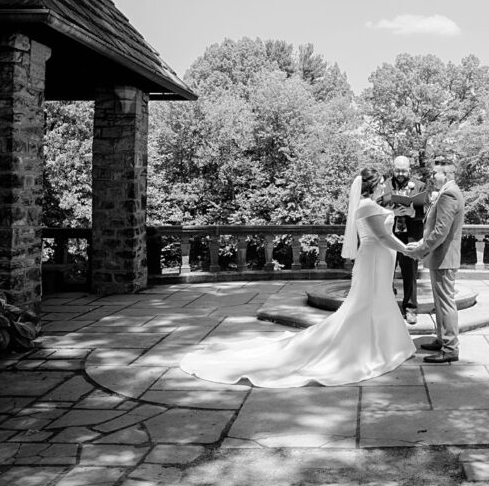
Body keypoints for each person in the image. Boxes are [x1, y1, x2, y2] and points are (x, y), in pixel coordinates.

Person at [178, 168, 415, 387]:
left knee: (378, 299)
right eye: (382, 183)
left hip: (380, 260)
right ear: (372, 185)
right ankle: (371, 347)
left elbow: (384, 225)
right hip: (374, 259)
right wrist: (408, 249)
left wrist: (398, 215)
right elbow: (383, 237)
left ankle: (385, 344)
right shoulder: (366, 206)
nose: (385, 187)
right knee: (366, 303)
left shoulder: (370, 205)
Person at [406, 156, 465, 364]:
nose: (432, 176)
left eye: (435, 173)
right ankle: (442, 339)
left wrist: (421, 249)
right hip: (441, 257)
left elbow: (441, 231)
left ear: (446, 174)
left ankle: (450, 348)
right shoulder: (447, 192)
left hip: (444, 257)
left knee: (446, 303)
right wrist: (422, 242)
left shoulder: (449, 194)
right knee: (440, 303)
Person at [379, 155, 428, 325]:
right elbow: (376, 209)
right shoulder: (384, 186)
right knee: (386, 273)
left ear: (409, 169)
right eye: (397, 170)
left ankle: (411, 309)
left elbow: (426, 212)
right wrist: (392, 212)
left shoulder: (420, 185)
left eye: (403, 170)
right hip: (389, 236)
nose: (400, 173)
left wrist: (412, 213)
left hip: (410, 238)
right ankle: (386, 307)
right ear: (392, 168)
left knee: (410, 274)